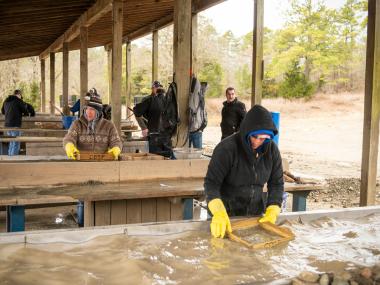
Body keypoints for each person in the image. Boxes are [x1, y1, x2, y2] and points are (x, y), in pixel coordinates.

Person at [205, 105, 284, 238]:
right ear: (247, 131)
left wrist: (273, 208)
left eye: (264, 138)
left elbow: (276, 183)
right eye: (255, 137)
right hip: (226, 215)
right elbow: (211, 184)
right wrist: (218, 211)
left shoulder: (272, 150)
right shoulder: (226, 149)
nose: (258, 142)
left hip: (255, 215)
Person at [63, 91, 122, 160]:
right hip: (81, 164)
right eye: (86, 108)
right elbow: (69, 138)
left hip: (103, 164)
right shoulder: (77, 124)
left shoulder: (109, 126)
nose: (88, 112)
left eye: (92, 109)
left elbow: (116, 141)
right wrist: (69, 145)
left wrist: (116, 148)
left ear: (98, 112)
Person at [133, 81, 174, 158]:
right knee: (167, 158)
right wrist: (144, 127)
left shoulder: (150, 100)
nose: (155, 89)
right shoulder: (170, 102)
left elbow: (137, 111)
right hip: (167, 136)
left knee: (155, 158)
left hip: (154, 135)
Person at [1, 89, 35, 155]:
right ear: (19, 95)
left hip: (7, 125)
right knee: (16, 142)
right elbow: (25, 111)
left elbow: (3, 111)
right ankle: (14, 159)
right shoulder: (18, 101)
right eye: (21, 96)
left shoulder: (6, 101)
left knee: (11, 142)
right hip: (15, 124)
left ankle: (9, 158)